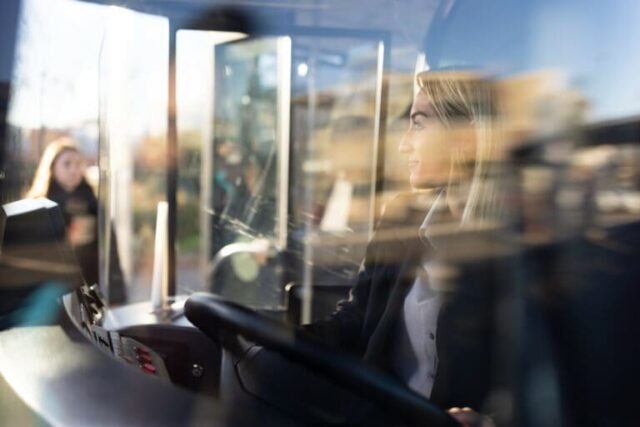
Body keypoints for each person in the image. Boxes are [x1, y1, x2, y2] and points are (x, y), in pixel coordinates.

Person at [233, 71, 503, 426]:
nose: (405, 144)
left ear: (465, 139)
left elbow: (544, 386)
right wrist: (278, 338)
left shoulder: (516, 251)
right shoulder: (400, 221)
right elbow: (357, 320)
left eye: (418, 124)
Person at [26, 137, 126, 303]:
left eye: (78, 164)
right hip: (51, 293)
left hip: (91, 292)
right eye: (67, 164)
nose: (74, 170)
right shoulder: (37, 206)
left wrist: (117, 295)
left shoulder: (94, 205)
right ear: (52, 168)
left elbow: (110, 254)